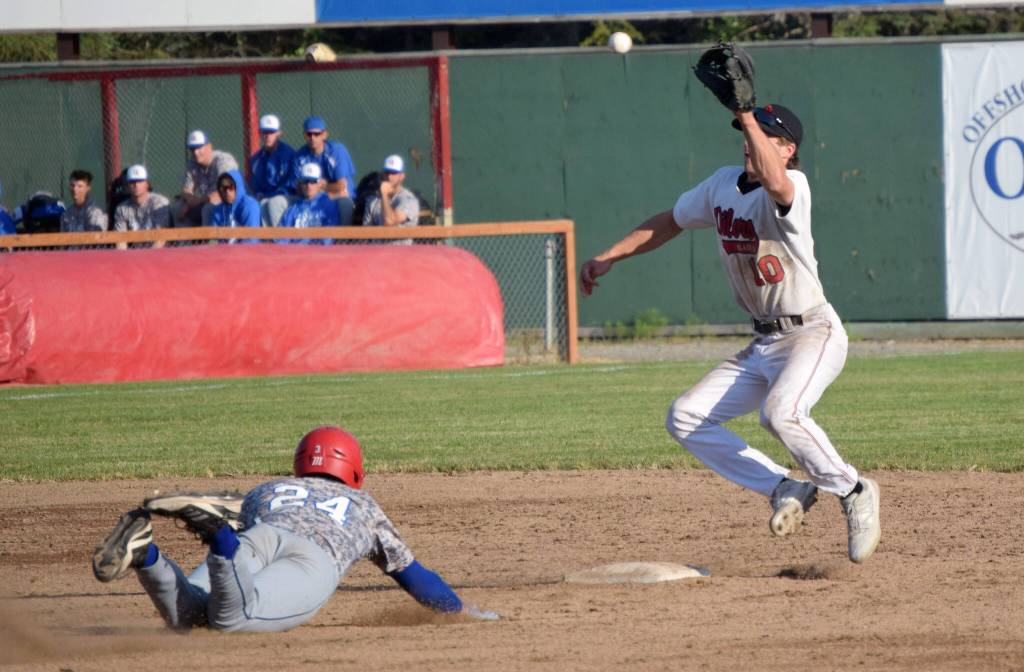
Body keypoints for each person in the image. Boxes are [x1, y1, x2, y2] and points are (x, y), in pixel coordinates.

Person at [579, 103, 881, 564]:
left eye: (762, 134)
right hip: (762, 343)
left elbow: (776, 181)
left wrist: (745, 109)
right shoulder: (721, 184)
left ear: (788, 149)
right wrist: (609, 256)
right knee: (684, 416)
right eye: (745, 131)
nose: (748, 139)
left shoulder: (793, 186)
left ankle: (853, 489)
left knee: (780, 414)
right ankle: (785, 485)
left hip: (811, 333)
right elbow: (669, 222)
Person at [91, 426, 499, 632]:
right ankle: (218, 536)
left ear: (301, 463)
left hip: (261, 535)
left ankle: (147, 555)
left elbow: (257, 527)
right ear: (354, 469)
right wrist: (460, 611)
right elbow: (417, 579)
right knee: (230, 620)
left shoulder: (269, 489)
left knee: (191, 616)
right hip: (312, 559)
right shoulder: (364, 505)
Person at [293, 115, 356, 226]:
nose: (312, 137)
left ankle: (344, 241)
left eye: (317, 134)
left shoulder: (336, 151)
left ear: (324, 134)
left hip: (339, 197)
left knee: (344, 203)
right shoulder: (300, 156)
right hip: (313, 197)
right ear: (304, 136)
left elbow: (341, 186)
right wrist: (320, 187)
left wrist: (322, 187)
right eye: (309, 134)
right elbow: (299, 188)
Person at [174, 130, 238, 227]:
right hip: (206, 202)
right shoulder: (192, 164)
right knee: (178, 208)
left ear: (209, 147)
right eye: (192, 149)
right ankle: (185, 241)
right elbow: (186, 190)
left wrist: (197, 202)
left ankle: (210, 241)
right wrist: (188, 202)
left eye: (199, 147)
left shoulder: (223, 160)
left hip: (231, 204)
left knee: (208, 209)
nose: (195, 152)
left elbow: (226, 191)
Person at [248, 114, 296, 227]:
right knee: (253, 204)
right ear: (260, 133)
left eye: (271, 132)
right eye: (265, 132)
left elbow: (290, 188)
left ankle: (279, 242)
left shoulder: (289, 155)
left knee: (271, 203)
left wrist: (267, 196)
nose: (268, 136)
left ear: (279, 133)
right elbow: (255, 187)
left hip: (288, 198)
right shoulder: (256, 159)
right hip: (265, 198)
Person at [362, 154, 420, 245]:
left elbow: (389, 221)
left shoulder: (409, 200)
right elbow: (365, 235)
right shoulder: (372, 201)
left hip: (400, 254)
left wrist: (384, 195)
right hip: (375, 254)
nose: (389, 177)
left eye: (393, 173)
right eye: (387, 172)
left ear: (401, 176)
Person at [113, 164, 172, 249]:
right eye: (132, 182)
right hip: (135, 254)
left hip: (160, 254)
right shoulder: (122, 208)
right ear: (128, 185)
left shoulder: (159, 202)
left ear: (147, 184)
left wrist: (148, 258)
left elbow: (161, 238)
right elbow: (121, 241)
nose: (136, 185)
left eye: (140, 181)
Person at [279, 162, 339, 244]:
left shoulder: (328, 205)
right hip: (293, 253)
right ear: (300, 184)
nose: (309, 185)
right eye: (305, 181)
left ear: (319, 184)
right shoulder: (293, 207)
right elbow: (281, 237)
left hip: (317, 253)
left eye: (313, 181)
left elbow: (328, 239)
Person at [210, 170, 261, 242]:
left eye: (231, 187)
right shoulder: (219, 210)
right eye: (223, 188)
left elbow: (251, 240)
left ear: (238, 186)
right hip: (224, 251)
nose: (227, 191)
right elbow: (214, 239)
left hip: (248, 251)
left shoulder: (250, 205)